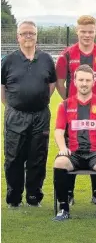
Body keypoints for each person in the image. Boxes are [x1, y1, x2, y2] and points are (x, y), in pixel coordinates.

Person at [55, 15, 96, 206]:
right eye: (83, 31)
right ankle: (68, 194)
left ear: (95, 31)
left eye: (91, 31)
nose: (87, 35)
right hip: (73, 112)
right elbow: (60, 83)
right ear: (77, 30)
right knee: (71, 149)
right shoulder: (67, 54)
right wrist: (69, 102)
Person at [1, 21, 56, 207]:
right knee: (14, 158)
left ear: (36, 35)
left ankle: (34, 197)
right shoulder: (8, 61)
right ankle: (14, 199)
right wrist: (13, 105)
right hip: (15, 115)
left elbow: (52, 85)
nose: (28, 36)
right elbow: (2, 88)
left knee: (37, 157)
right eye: (24, 33)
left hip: (40, 116)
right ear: (18, 37)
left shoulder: (46, 59)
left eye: (31, 33)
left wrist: (37, 100)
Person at [52, 65, 96, 221]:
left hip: (95, 153)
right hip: (73, 153)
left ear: (94, 81)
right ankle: (63, 209)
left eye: (88, 80)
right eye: (81, 80)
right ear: (74, 81)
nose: (84, 83)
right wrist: (63, 148)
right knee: (60, 162)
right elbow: (59, 131)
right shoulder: (65, 105)